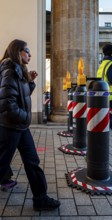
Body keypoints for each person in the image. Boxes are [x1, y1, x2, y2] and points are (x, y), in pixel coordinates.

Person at [0, 39, 60, 211]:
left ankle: (40, 199)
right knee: (2, 162)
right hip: (10, 127)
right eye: (27, 51)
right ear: (17, 51)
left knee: (32, 161)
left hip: (19, 127)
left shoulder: (18, 70)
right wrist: (26, 116)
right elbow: (7, 104)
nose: (30, 54)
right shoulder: (9, 71)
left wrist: (30, 82)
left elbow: (19, 95)